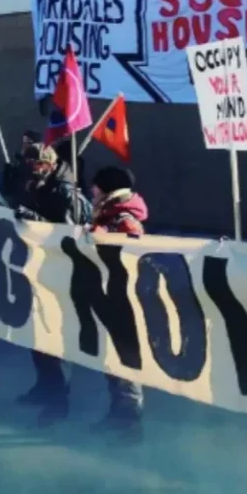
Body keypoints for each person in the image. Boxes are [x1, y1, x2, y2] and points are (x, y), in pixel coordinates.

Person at [14, 142, 84, 425]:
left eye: (37, 164)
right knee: (37, 337)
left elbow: (67, 235)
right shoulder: (35, 186)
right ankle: (44, 387)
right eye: (29, 163)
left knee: (53, 339)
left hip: (60, 275)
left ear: (50, 165)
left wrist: (35, 219)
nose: (32, 168)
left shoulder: (65, 192)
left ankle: (59, 401)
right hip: (37, 270)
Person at [88, 165, 148, 434]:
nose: (92, 190)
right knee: (112, 362)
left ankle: (129, 424)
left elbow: (132, 256)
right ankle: (118, 415)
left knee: (125, 363)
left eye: (96, 185)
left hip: (124, 301)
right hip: (109, 296)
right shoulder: (107, 214)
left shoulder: (124, 219)